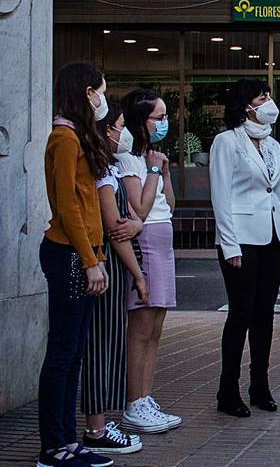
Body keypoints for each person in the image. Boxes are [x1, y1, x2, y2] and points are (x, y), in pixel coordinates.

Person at [38, 62, 115, 467]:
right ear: (87, 93)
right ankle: (54, 447)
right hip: (68, 252)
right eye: (101, 90)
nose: (104, 97)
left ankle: (67, 440)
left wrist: (95, 257)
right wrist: (89, 261)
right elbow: (67, 205)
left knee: (74, 353)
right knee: (64, 352)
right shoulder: (64, 138)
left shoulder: (79, 136)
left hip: (82, 253)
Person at [210, 79, 280, 417]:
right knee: (240, 313)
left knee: (265, 313)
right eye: (262, 97)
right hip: (241, 239)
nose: (268, 102)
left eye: (268, 96)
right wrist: (229, 243)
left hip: (273, 237)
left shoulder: (273, 145)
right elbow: (221, 196)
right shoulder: (227, 142)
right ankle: (228, 389)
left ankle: (259, 384)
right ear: (245, 104)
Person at [80, 101, 148, 455]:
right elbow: (116, 228)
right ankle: (97, 426)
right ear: (107, 130)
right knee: (102, 348)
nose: (124, 133)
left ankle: (102, 421)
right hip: (106, 264)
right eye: (120, 125)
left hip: (109, 265)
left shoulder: (107, 166)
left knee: (109, 345)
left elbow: (129, 220)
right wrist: (138, 275)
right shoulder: (101, 170)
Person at [118, 88, 181, 434]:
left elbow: (169, 205)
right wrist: (154, 171)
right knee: (140, 329)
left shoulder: (152, 157)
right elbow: (137, 209)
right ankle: (133, 402)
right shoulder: (129, 158)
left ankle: (145, 397)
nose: (164, 123)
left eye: (165, 116)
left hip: (162, 238)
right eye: (158, 117)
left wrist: (164, 173)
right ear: (140, 120)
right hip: (145, 244)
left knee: (155, 328)